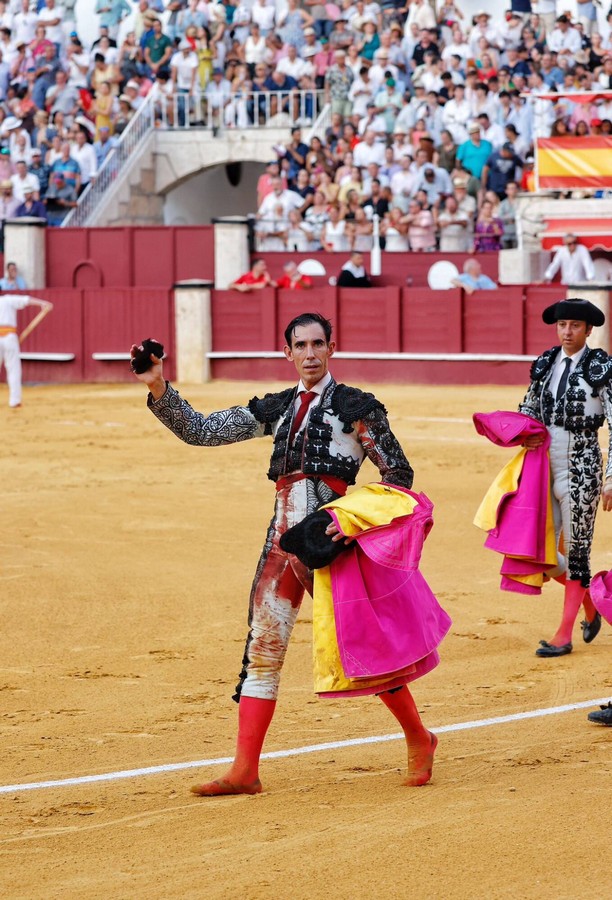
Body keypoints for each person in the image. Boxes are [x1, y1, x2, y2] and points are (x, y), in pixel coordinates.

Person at [131, 311, 439, 795]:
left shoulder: (357, 407)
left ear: (332, 348)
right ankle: (245, 770)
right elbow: (201, 430)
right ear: (288, 352)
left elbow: (398, 474)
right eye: (301, 345)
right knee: (263, 648)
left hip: (331, 545)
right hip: (280, 543)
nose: (311, 353)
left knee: (364, 645)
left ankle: (419, 738)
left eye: (319, 344)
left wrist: (345, 521)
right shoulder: (275, 406)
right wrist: (158, 387)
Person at [519, 298, 612, 656]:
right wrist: (514, 429)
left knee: (576, 551)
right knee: (538, 551)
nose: (567, 332)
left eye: (574, 326)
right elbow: (528, 408)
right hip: (543, 466)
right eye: (562, 325)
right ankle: (589, 602)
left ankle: (564, 635)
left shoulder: (601, 367)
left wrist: (610, 477)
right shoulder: (544, 363)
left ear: (589, 330)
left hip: (582, 466)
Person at [0, 292, 53, 408]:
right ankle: (15, 400)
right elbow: (26, 300)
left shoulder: (7, 300)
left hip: (8, 335)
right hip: (9, 336)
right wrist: (43, 303)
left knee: (13, 368)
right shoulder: (7, 300)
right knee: (13, 369)